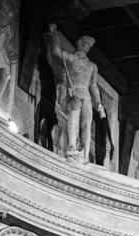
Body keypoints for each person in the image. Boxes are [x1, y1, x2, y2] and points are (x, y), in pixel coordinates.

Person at [45, 25, 112, 163]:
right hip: (74, 91)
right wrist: (52, 34)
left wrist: (98, 103)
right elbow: (56, 52)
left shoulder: (92, 66)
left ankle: (86, 156)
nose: (87, 47)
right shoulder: (71, 58)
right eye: (85, 44)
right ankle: (71, 147)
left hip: (86, 95)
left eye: (89, 46)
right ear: (79, 44)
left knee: (87, 125)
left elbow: (93, 86)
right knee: (74, 119)